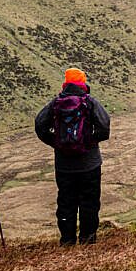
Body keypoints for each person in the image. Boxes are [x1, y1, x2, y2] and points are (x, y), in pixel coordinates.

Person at [35, 68, 111, 245]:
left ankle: (67, 240)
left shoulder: (56, 103)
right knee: (89, 202)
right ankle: (88, 238)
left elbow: (39, 125)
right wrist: (90, 142)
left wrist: (56, 143)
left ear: (66, 82)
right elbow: (104, 126)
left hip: (64, 165)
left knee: (66, 202)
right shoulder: (89, 102)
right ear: (83, 83)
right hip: (89, 163)